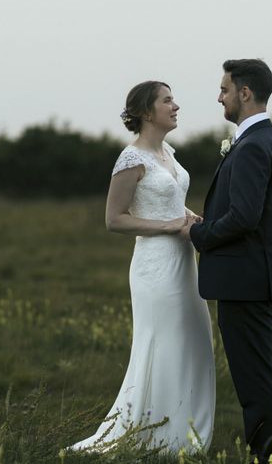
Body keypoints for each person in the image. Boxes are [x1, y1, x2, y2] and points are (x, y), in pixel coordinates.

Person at [69, 81, 215, 454]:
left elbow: (167, 199)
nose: (176, 106)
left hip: (184, 263)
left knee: (193, 338)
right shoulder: (131, 159)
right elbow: (114, 219)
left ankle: (185, 431)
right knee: (163, 342)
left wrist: (186, 215)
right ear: (147, 113)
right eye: (168, 100)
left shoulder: (167, 152)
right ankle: (154, 433)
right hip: (155, 266)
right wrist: (167, 227)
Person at [180, 59, 272, 461]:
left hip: (245, 282)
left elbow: (245, 217)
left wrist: (198, 233)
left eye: (224, 89)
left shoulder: (251, 147)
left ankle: (269, 456)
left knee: (256, 382)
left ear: (244, 93)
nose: (219, 96)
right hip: (264, 278)